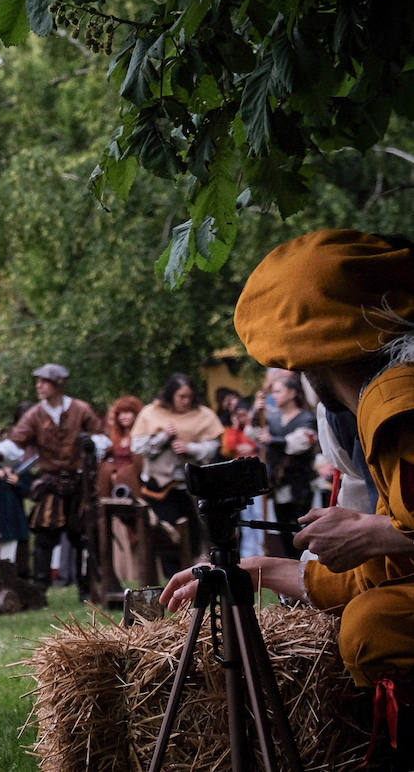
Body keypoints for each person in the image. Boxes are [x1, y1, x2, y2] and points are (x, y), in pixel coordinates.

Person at [161, 229, 414, 760]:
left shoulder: (397, 400)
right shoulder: (380, 399)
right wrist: (255, 571)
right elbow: (395, 563)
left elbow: (396, 552)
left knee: (374, 625)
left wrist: (376, 531)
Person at [4, 363, 105, 596]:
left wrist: (92, 444)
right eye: (37, 381)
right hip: (50, 481)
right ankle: (40, 589)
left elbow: (101, 438)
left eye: (44, 381)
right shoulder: (35, 414)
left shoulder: (80, 409)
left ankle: (85, 588)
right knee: (44, 536)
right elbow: (16, 440)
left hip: (79, 482)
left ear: (58, 384)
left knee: (82, 537)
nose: (39, 386)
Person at [131, 374, 223, 579]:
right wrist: (162, 437)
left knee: (194, 534)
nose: (185, 401)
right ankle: (171, 575)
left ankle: (193, 574)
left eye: (189, 396)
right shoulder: (151, 413)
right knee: (167, 534)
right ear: (171, 395)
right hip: (159, 487)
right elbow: (137, 446)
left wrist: (191, 448)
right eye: (181, 396)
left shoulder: (203, 415)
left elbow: (213, 447)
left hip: (191, 486)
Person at [257, 372, 318, 556]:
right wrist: (257, 412)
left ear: (292, 393)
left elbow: (301, 442)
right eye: (272, 392)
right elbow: (253, 432)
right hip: (278, 483)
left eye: (278, 391)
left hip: (300, 483)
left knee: (302, 528)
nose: (274, 395)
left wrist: (272, 440)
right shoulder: (272, 419)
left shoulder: (305, 418)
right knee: (284, 529)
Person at [97, 395, 145, 589]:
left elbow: (139, 465)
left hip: (134, 489)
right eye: (121, 413)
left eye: (129, 412)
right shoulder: (113, 438)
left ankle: (138, 571)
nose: (125, 417)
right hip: (114, 492)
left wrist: (125, 475)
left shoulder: (140, 437)